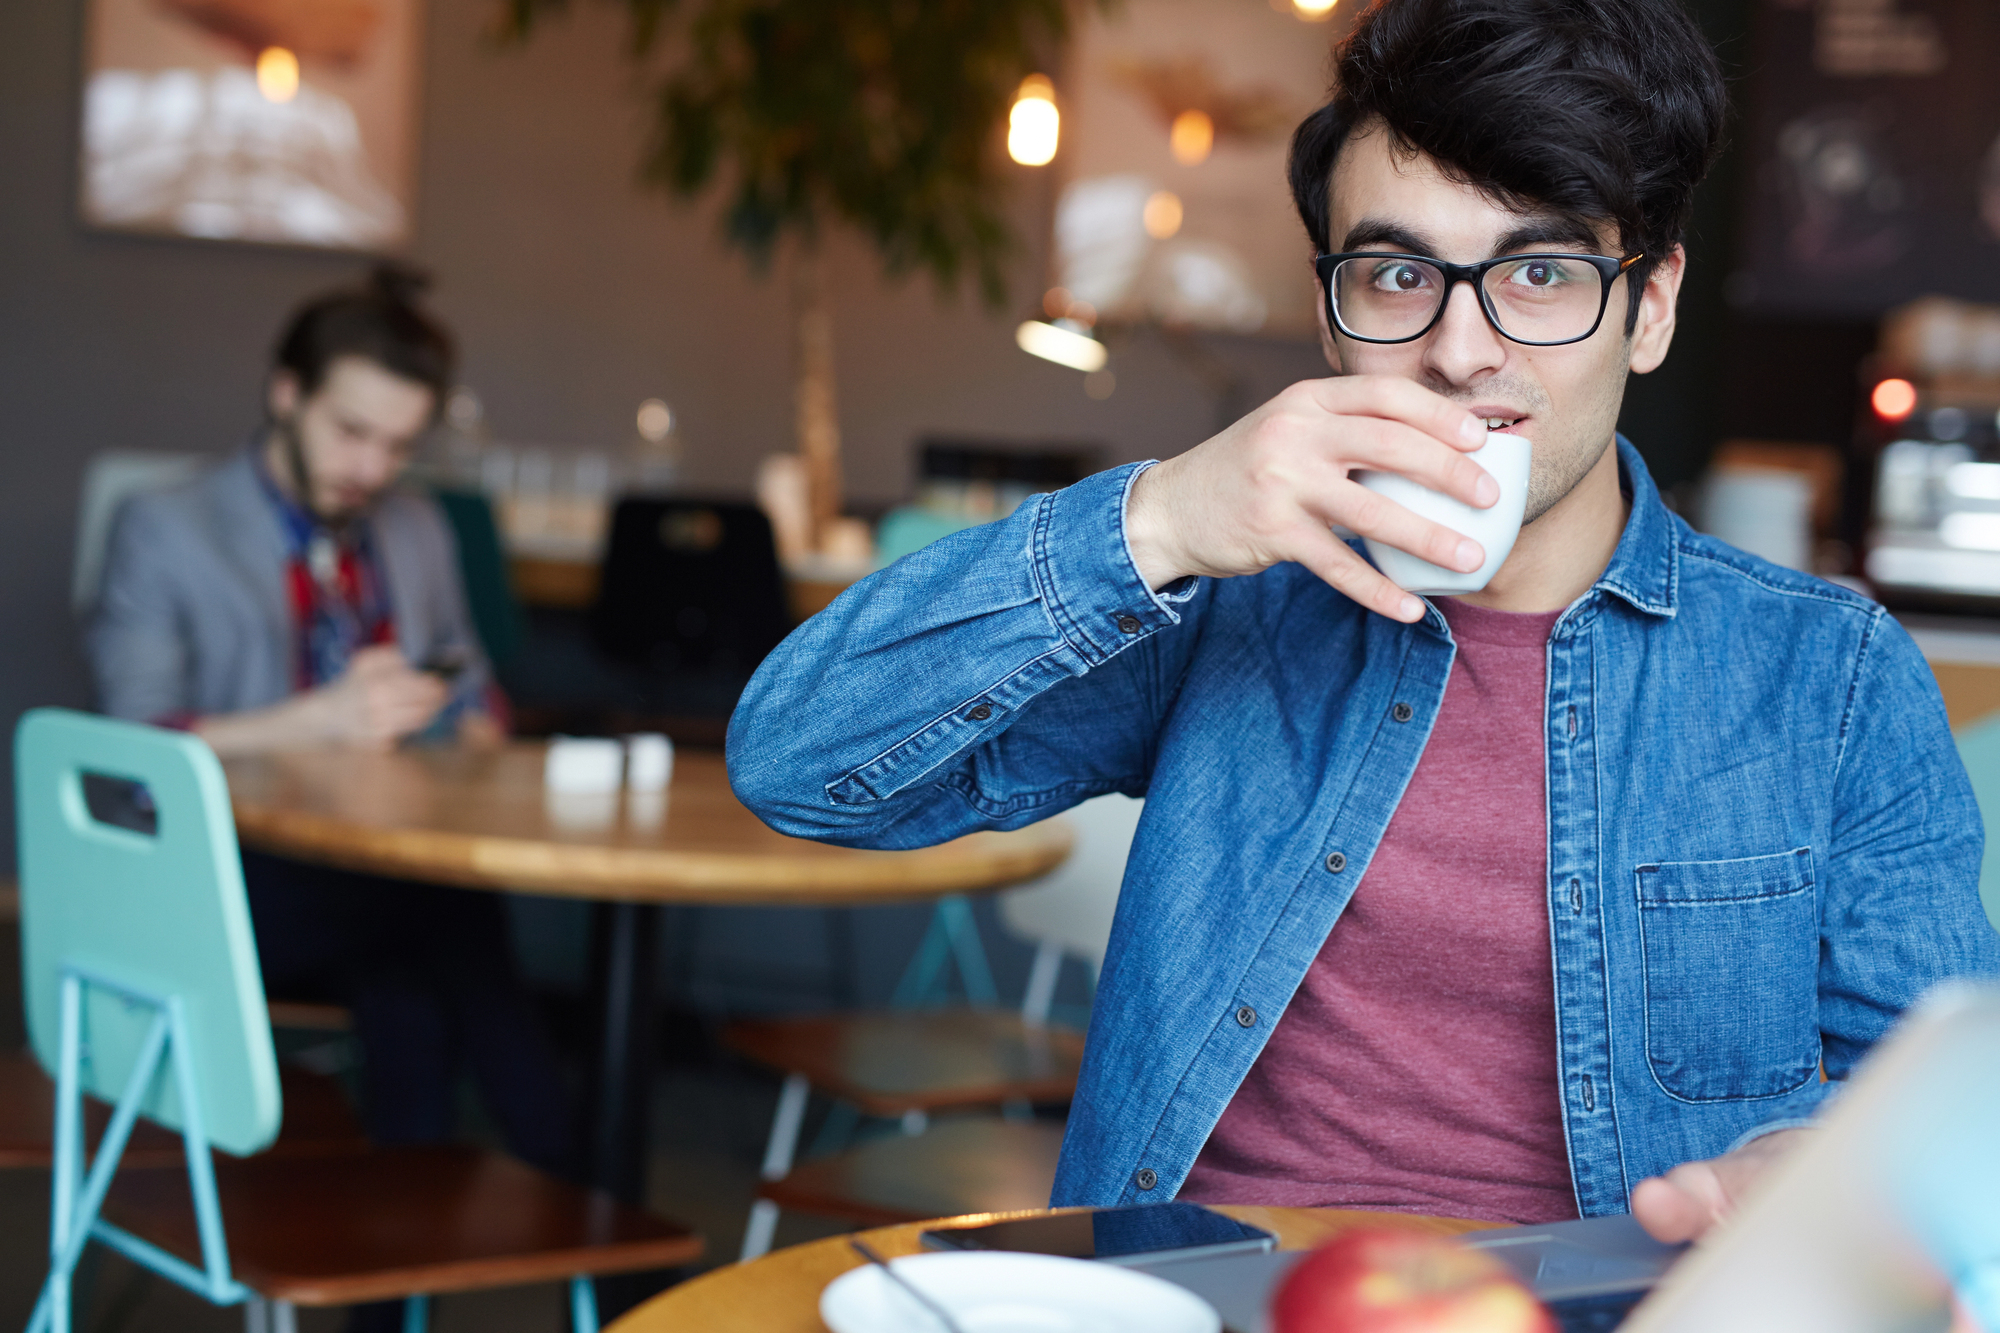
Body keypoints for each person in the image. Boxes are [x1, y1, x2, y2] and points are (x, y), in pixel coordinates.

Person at [726, 0, 1999, 1245]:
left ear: (1649, 304)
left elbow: (1938, 1121)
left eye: (1539, 271)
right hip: (1193, 1287)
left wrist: (1810, 1164)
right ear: (1330, 306)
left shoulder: (1824, 680)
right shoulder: (1222, 598)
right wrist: (1155, 520)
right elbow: (797, 768)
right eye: (1395, 274)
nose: (1457, 350)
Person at [87, 268, 574, 1182]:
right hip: (224, 879)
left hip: (376, 868)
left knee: (413, 999)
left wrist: (465, 721)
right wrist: (319, 718)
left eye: (397, 445)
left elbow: (476, 689)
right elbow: (132, 743)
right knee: (448, 916)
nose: (372, 470)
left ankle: (399, 1296)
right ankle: (578, 1183)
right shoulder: (165, 526)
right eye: (350, 432)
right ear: (286, 392)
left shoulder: (418, 527)